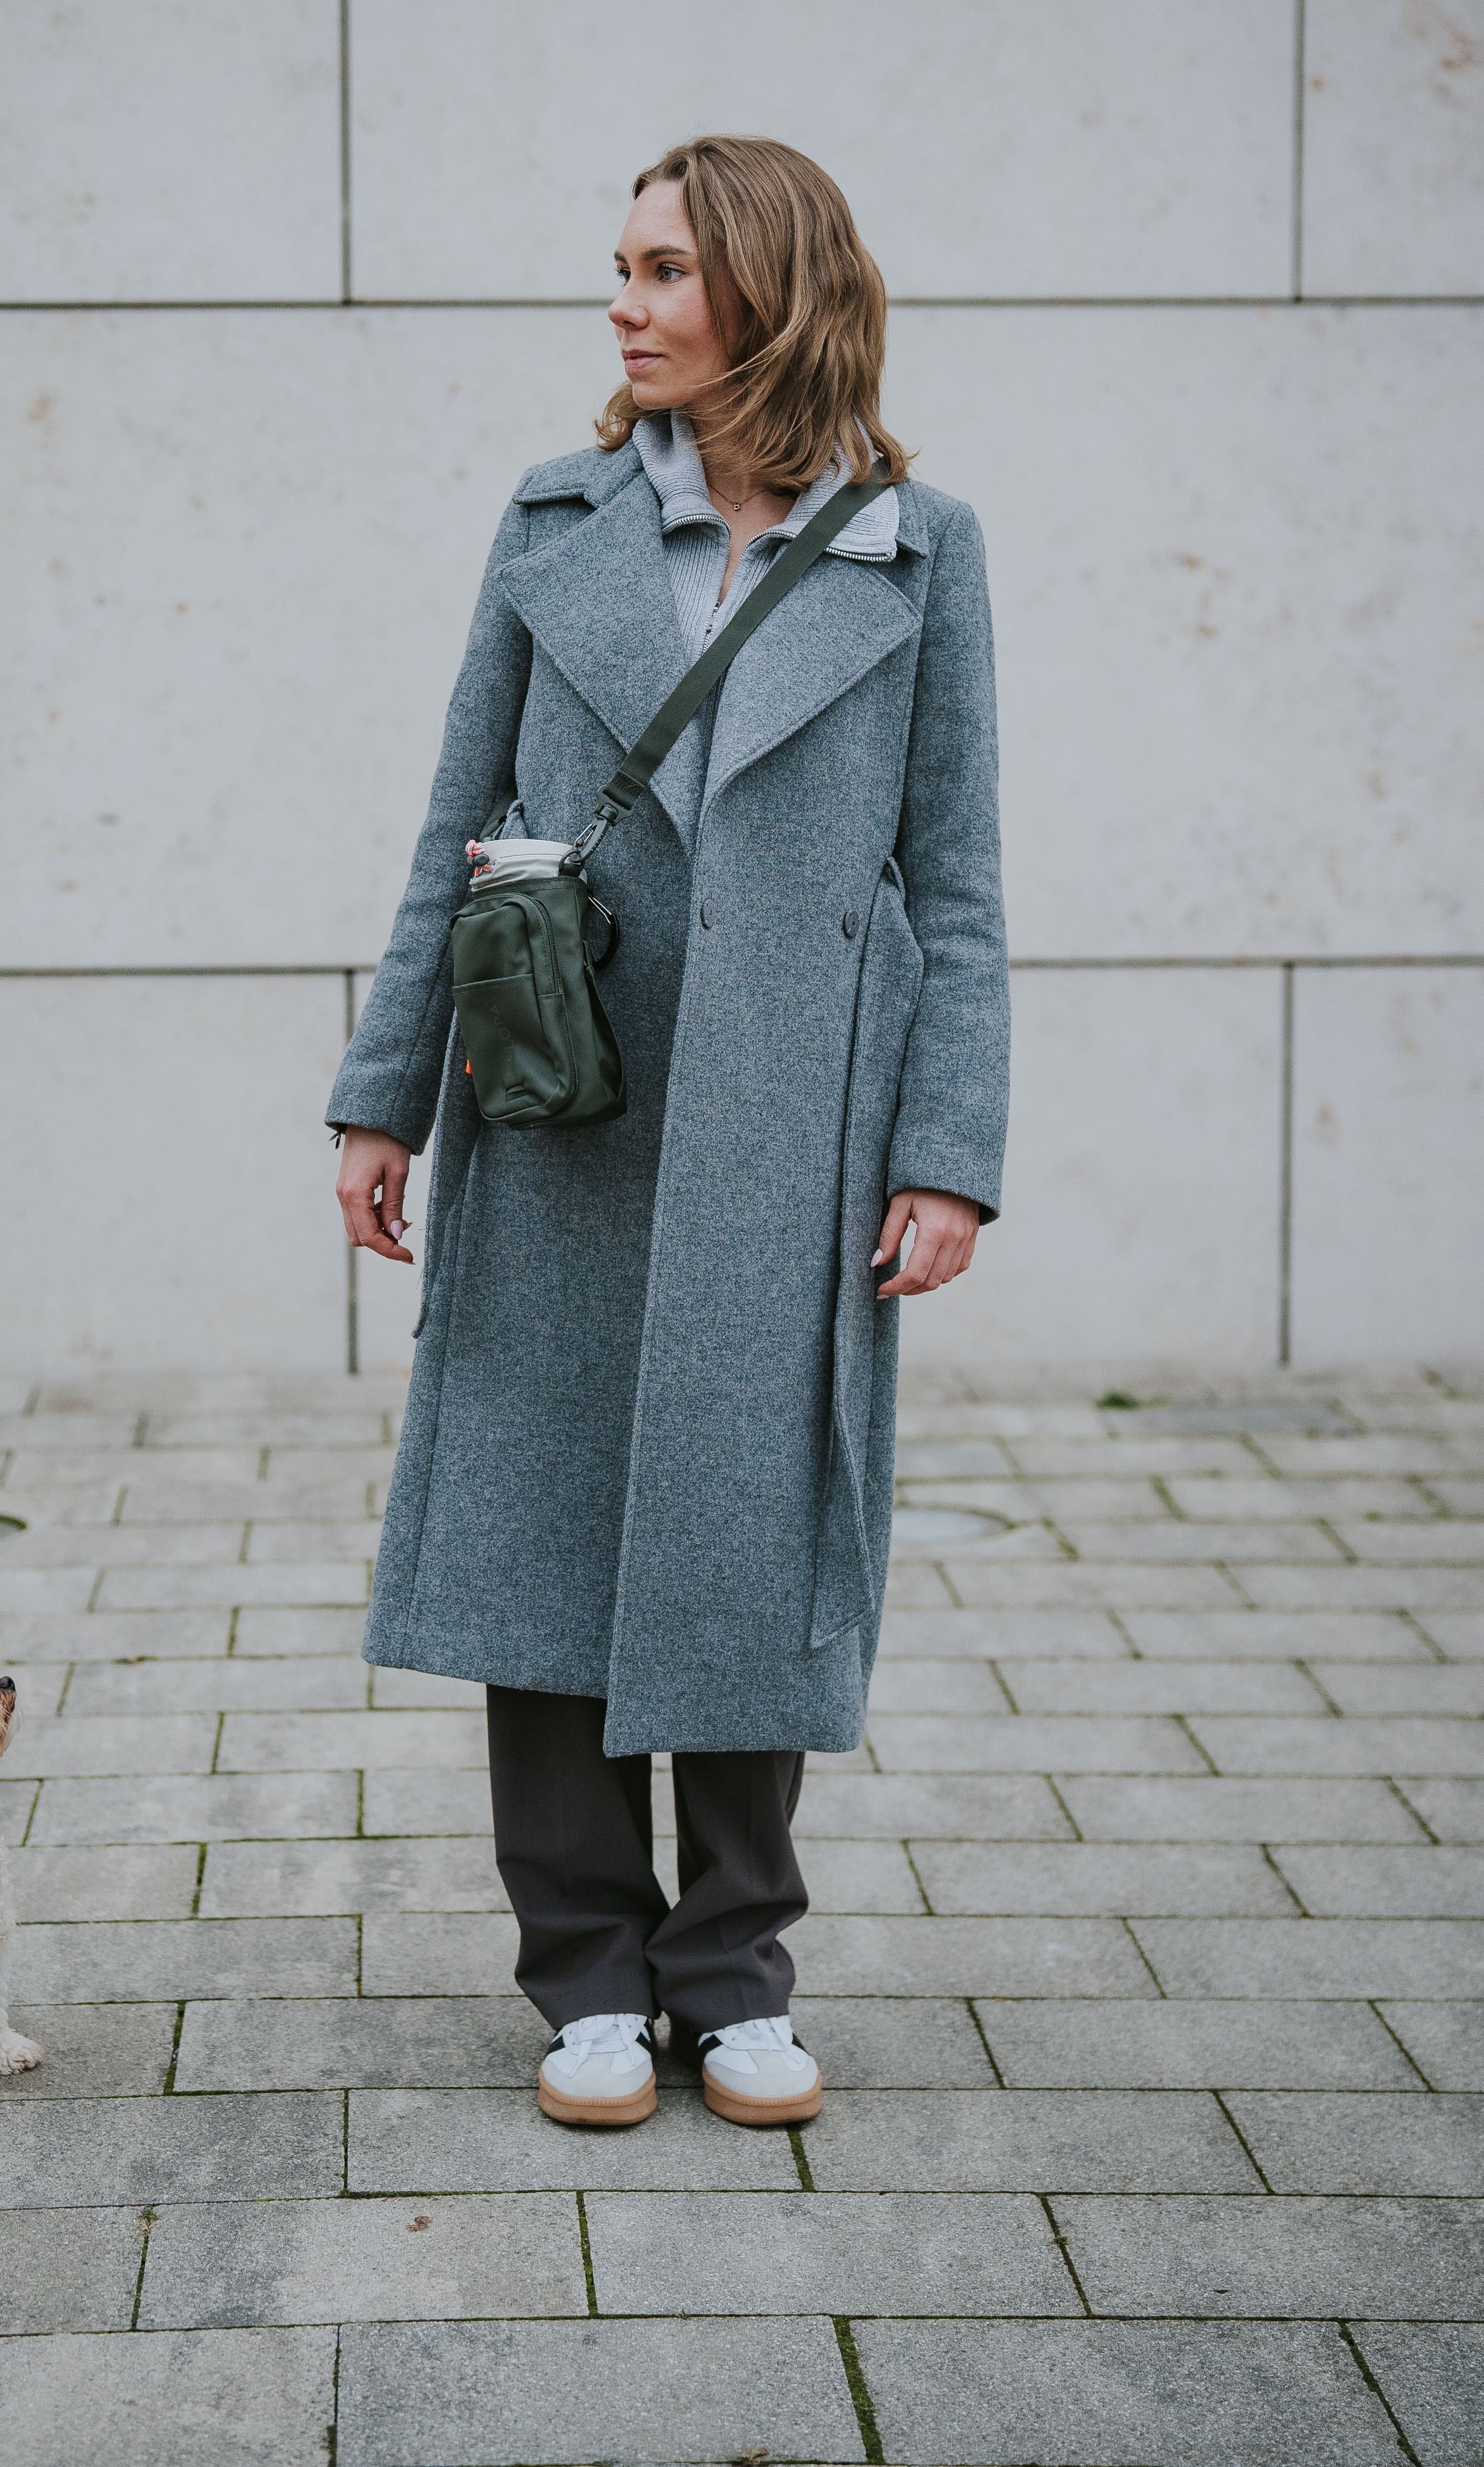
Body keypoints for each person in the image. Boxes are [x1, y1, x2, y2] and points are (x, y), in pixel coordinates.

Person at [330, 136, 1008, 2130]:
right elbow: (457, 827)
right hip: (561, 1089)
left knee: (745, 1520)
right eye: (616, 267)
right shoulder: (552, 521)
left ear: (766, 292)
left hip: (794, 1119)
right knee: (544, 1523)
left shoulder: (916, 545)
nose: (620, 304)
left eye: (660, 270)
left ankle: (730, 1966)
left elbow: (953, 880)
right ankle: (585, 1979)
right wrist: (384, 1096)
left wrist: (945, 1146)